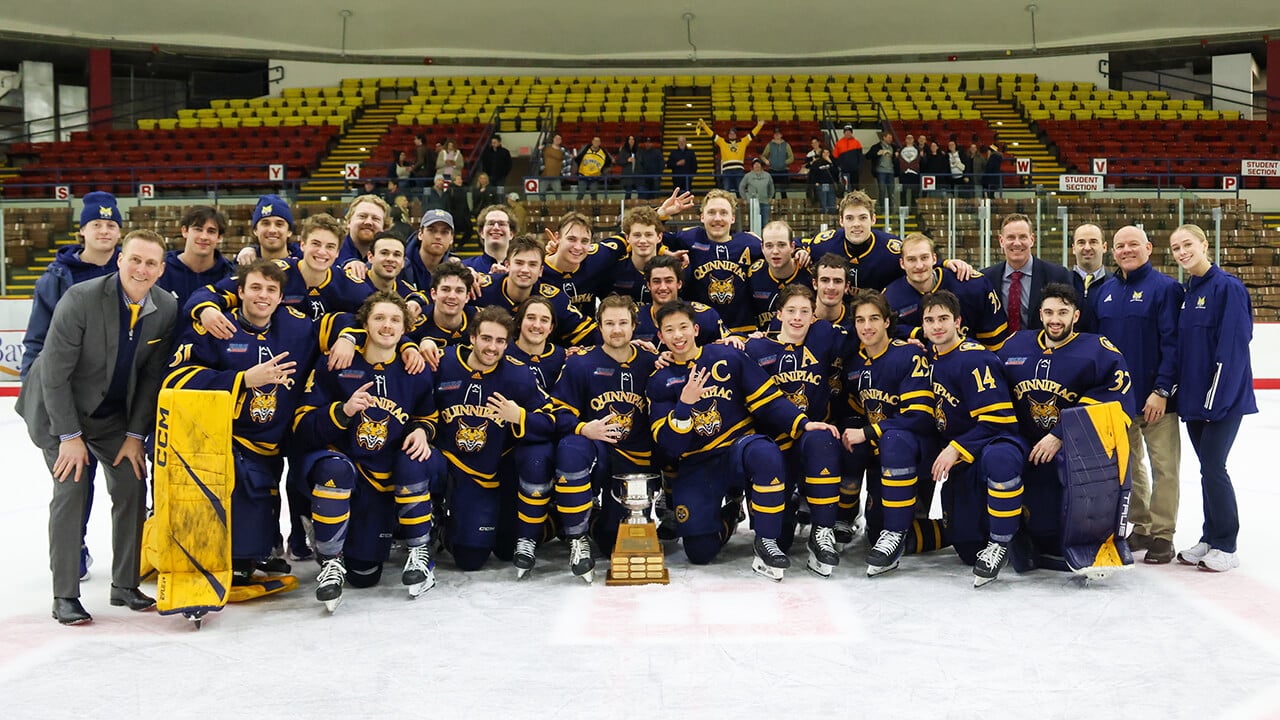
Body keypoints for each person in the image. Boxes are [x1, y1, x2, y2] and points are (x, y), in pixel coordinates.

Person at [17, 229, 177, 625]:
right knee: (72, 489)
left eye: (151, 263)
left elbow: (151, 379)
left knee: (131, 481)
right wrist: (69, 437)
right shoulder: (80, 298)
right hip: (59, 411)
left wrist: (135, 436)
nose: (142, 269)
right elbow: (53, 373)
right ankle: (65, 594)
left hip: (111, 416)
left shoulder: (166, 308)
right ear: (120, 260)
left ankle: (124, 584)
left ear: (160, 269)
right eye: (135, 259)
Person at [646, 300, 839, 580]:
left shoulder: (727, 356)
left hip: (738, 449)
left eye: (684, 327)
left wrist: (805, 423)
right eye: (670, 330)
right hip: (698, 463)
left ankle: (767, 542)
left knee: (765, 452)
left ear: (696, 329)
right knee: (700, 552)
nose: (678, 336)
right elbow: (670, 445)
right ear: (661, 337)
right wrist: (684, 405)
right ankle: (731, 512)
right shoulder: (659, 380)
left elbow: (768, 401)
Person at [163, 260, 318, 586]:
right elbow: (175, 378)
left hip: (275, 439)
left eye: (271, 290)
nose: (263, 296)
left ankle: (258, 551)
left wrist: (347, 337)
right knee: (244, 483)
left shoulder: (298, 327)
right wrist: (242, 379)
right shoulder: (218, 327)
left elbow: (340, 324)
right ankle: (233, 555)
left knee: (268, 491)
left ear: (280, 298)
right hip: (225, 440)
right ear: (240, 292)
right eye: (256, 288)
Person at [294, 292, 445, 609]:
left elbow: (428, 414)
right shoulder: (336, 361)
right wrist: (343, 411)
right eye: (379, 318)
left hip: (381, 478)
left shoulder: (413, 368)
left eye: (395, 320)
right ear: (364, 324)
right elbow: (302, 427)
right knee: (335, 469)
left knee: (364, 574)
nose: (387, 326)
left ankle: (419, 546)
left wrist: (421, 430)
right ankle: (330, 559)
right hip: (341, 466)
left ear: (405, 330)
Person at [21, 190, 125, 582]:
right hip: (65, 397)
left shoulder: (130, 271)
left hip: (113, 400)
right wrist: (38, 392)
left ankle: (133, 555)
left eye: (111, 224)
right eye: (96, 224)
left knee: (128, 482)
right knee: (74, 481)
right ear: (82, 231)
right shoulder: (57, 277)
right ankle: (73, 548)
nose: (104, 229)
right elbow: (37, 341)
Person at [997, 283, 1136, 574]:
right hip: (1024, 442)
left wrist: (1060, 435)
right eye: (1048, 312)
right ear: (1040, 314)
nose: (1054, 319)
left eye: (1063, 312)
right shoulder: (1015, 344)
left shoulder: (1098, 350)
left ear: (1076, 315)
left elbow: (1114, 398)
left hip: (1073, 450)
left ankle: (1083, 540)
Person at [424, 307, 557, 572]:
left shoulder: (518, 375)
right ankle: (438, 516)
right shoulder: (442, 363)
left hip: (494, 471)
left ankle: (555, 520)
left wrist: (519, 416)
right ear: (472, 337)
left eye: (500, 341)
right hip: (452, 465)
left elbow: (551, 421)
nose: (492, 347)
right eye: (486, 338)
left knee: (506, 549)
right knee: (469, 559)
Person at [921, 290, 1027, 587]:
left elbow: (998, 421)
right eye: (930, 320)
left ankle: (1002, 540)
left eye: (943, 319)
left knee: (1001, 459)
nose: (937, 326)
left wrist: (956, 448)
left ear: (958, 321)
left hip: (994, 444)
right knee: (968, 549)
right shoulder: (934, 355)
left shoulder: (975, 359)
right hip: (964, 451)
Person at [1168, 224, 1256, 573]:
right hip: (1194, 402)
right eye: (1176, 248)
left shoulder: (1227, 287)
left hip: (1222, 402)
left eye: (1187, 244)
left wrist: (1213, 401)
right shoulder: (1188, 292)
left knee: (1214, 467)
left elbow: (1232, 349)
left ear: (1204, 243)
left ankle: (1226, 544)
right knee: (1207, 470)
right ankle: (1209, 536)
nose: (1182, 252)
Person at [1093, 226, 1183, 563]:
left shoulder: (1166, 289)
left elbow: (1173, 345)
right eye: (1119, 246)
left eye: (1133, 244)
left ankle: (1163, 534)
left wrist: (1162, 390)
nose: (1126, 250)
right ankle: (1141, 525)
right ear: (1112, 251)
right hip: (1119, 401)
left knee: (1165, 469)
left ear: (1148, 247)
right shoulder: (1104, 292)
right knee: (1131, 468)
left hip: (1158, 400)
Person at [742, 286, 846, 577]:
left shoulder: (824, 335)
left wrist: (912, 340)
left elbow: (871, 332)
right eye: (791, 311)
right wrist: (734, 340)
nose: (798, 318)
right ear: (778, 314)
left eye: (804, 312)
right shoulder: (756, 348)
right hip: (771, 446)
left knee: (824, 438)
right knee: (783, 539)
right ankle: (768, 537)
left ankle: (822, 532)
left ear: (813, 317)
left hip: (809, 439)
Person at [840, 290, 937, 577]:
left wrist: (868, 432)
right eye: (860, 320)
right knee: (874, 532)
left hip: (916, 446)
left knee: (891, 439)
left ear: (886, 322)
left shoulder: (907, 354)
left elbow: (918, 416)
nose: (866, 326)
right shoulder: (855, 361)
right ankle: (844, 518)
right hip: (882, 447)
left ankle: (902, 533)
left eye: (873, 319)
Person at [802, 191, 976, 292]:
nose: (856, 224)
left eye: (862, 217)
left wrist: (947, 262)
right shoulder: (823, 244)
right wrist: (800, 252)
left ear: (873, 219)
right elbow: (796, 244)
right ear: (841, 221)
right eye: (850, 218)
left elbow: (917, 259)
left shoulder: (891, 248)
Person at [662, 189, 767, 334]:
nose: (717, 218)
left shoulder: (749, 243)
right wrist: (662, 214)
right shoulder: (690, 238)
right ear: (702, 217)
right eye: (711, 212)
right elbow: (648, 236)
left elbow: (785, 249)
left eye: (724, 213)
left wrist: (799, 250)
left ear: (733, 218)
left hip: (742, 332)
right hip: (701, 331)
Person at [884, 232, 1008, 350]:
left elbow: (995, 340)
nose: (919, 265)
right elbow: (886, 330)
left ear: (934, 259)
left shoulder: (970, 284)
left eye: (924, 258)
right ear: (902, 263)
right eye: (911, 259)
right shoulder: (890, 298)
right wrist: (913, 335)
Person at [473, 234, 597, 347]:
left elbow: (589, 335)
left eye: (532, 265)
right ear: (507, 265)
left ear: (541, 271)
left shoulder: (555, 299)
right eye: (519, 263)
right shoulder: (480, 288)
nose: (525, 270)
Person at [980, 213, 1074, 333]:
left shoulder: (1057, 275)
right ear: (1001, 241)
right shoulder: (986, 278)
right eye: (1011, 237)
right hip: (998, 350)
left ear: (1032, 240)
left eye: (1023, 237)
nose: (1017, 243)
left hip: (1043, 349)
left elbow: (1069, 319)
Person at [542, 210, 629, 318]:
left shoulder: (597, 258)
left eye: (584, 241)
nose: (578, 247)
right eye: (571, 239)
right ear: (557, 238)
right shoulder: (538, 270)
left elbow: (630, 235)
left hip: (589, 332)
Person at [633, 254, 729, 348]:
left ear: (679, 284)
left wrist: (733, 340)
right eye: (656, 281)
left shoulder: (705, 316)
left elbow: (730, 342)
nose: (663, 287)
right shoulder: (633, 317)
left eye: (668, 280)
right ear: (649, 285)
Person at [158, 205, 235, 309]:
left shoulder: (229, 274)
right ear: (184, 231)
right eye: (198, 229)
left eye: (211, 231)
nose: (204, 237)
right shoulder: (161, 269)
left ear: (219, 237)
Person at [747, 220, 812, 330]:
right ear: (762, 248)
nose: (775, 251)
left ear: (792, 247)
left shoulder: (808, 273)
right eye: (769, 246)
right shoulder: (753, 274)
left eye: (781, 245)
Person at [698, 119, 763, 195]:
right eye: (730, 133)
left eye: (733, 133)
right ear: (728, 135)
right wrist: (704, 126)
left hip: (739, 170)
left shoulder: (743, 142)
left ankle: (741, 206)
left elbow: (752, 134)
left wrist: (759, 125)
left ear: (736, 135)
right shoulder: (722, 142)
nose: (732, 135)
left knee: (740, 190)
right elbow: (712, 134)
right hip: (727, 171)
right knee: (726, 191)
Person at [402, 208, 458, 289]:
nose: (438, 236)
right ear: (420, 234)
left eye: (444, 232)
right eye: (431, 230)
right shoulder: (401, 265)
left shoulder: (456, 270)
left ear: (451, 239)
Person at [1070, 223, 1110, 310]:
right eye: (1081, 242)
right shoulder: (1062, 281)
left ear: (1104, 247)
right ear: (1073, 248)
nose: (1087, 248)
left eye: (1093, 242)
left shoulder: (1116, 284)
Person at [466, 204, 516, 274]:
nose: (496, 227)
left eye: (502, 224)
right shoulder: (465, 268)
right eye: (491, 223)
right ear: (481, 233)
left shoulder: (520, 270)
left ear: (511, 234)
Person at [738, 158, 775, 228]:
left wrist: (771, 197)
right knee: (753, 223)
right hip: (752, 203)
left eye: (758, 163)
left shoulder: (767, 175)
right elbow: (741, 187)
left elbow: (771, 187)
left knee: (765, 223)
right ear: (752, 166)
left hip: (764, 202)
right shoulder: (748, 176)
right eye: (755, 164)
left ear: (761, 165)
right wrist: (744, 198)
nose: (757, 165)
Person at [866, 131, 898, 211]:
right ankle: (882, 209)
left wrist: (896, 156)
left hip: (891, 171)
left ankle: (891, 209)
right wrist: (877, 153)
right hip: (881, 171)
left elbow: (896, 159)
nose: (891, 139)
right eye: (889, 137)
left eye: (891, 138)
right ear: (884, 138)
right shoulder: (876, 147)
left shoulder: (894, 147)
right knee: (882, 190)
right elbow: (868, 156)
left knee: (891, 191)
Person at [761, 129, 795, 198]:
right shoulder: (769, 145)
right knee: (772, 191)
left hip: (783, 170)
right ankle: (772, 206)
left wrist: (784, 162)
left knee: (783, 191)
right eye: (776, 134)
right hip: (772, 170)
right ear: (773, 135)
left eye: (778, 134)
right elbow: (763, 156)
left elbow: (791, 157)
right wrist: (766, 161)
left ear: (781, 135)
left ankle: (784, 207)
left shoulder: (786, 145)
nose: (777, 135)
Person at [833, 125, 863, 192]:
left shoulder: (857, 143)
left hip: (854, 170)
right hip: (844, 170)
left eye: (849, 132)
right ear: (844, 133)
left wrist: (859, 167)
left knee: (855, 188)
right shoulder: (839, 143)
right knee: (845, 187)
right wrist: (839, 166)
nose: (847, 133)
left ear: (851, 133)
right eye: (846, 132)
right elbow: (835, 156)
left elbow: (860, 157)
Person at [808, 148, 837, 213]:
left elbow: (836, 172)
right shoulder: (817, 163)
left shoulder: (833, 162)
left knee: (832, 203)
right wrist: (815, 182)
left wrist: (830, 162)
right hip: (821, 185)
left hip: (831, 185)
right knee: (823, 203)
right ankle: (823, 217)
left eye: (827, 153)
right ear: (821, 154)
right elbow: (813, 174)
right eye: (824, 153)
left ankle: (832, 218)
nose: (826, 154)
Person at [618, 135, 639, 199]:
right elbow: (620, 161)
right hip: (628, 175)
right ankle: (626, 207)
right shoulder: (624, 150)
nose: (631, 141)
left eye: (633, 139)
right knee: (628, 192)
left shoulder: (638, 150)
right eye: (630, 139)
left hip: (637, 174)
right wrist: (627, 160)